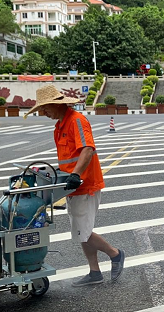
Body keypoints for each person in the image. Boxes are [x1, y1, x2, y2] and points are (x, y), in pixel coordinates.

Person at [26, 85, 125, 287]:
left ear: (55, 104)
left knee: (83, 232)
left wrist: (76, 175)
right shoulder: (59, 127)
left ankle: (115, 254)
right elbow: (68, 158)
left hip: (85, 184)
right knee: (82, 231)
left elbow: (87, 149)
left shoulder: (76, 121)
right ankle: (95, 272)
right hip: (71, 186)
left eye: (45, 109)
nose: (44, 113)